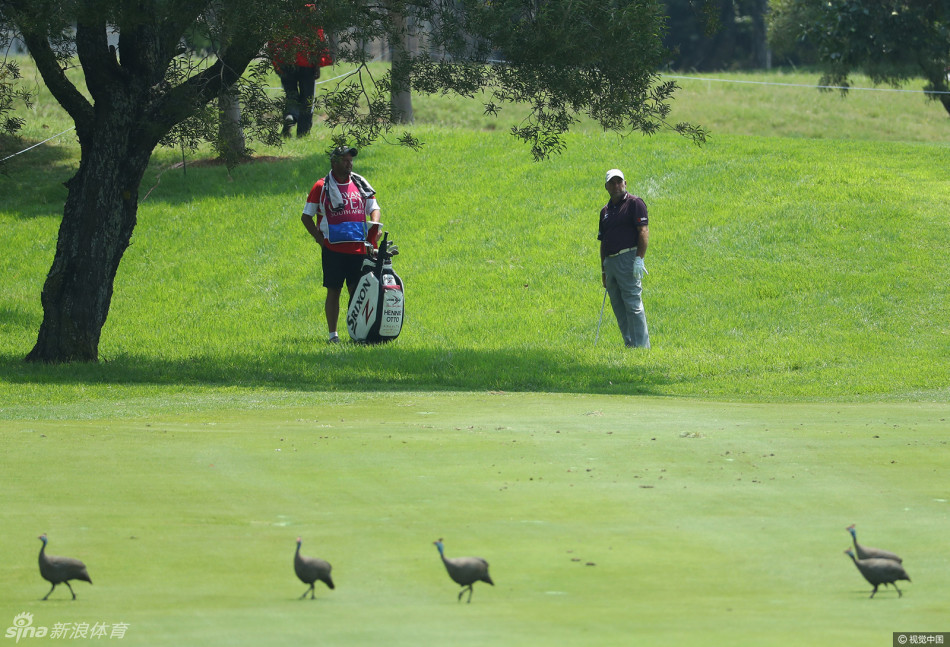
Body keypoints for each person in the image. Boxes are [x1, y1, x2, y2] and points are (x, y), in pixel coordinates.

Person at [301, 146, 382, 343]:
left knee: (357, 292)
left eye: (350, 160)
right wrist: (320, 240)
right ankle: (333, 335)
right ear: (333, 162)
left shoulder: (360, 182)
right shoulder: (321, 186)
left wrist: (376, 225)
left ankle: (358, 333)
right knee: (334, 291)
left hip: (358, 248)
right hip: (334, 249)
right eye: (344, 160)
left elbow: (374, 207)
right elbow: (306, 217)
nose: (349, 164)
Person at [598, 168, 650, 348]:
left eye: (619, 181)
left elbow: (643, 231)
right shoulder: (605, 211)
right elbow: (603, 241)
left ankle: (642, 347)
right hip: (610, 263)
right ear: (606, 187)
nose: (616, 185)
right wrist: (604, 269)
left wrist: (639, 259)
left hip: (628, 258)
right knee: (619, 306)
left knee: (633, 304)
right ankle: (630, 344)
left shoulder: (635, 203)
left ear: (625, 183)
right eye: (612, 183)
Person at [267, 5, 333, 138]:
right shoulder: (309, 9)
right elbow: (317, 37)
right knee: (307, 100)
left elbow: (274, 38)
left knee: (291, 95)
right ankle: (303, 134)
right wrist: (318, 63)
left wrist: (276, 61)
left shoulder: (283, 8)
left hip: (286, 60)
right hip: (306, 62)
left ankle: (290, 116)